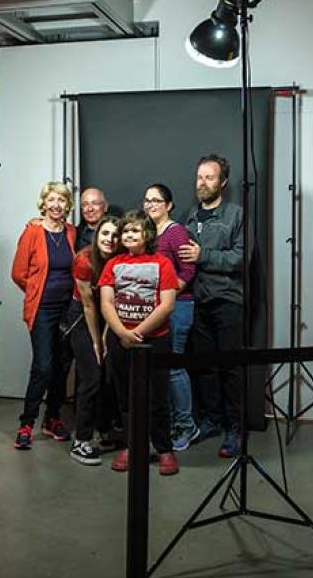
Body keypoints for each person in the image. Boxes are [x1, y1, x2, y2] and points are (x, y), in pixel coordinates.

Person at [99, 211, 179, 476]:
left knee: (158, 397)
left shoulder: (162, 263)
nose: (129, 235)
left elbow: (167, 305)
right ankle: (134, 446)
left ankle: (164, 449)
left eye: (135, 230)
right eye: (125, 231)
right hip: (121, 340)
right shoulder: (113, 264)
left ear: (147, 234)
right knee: (126, 397)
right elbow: (106, 302)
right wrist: (122, 333)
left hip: (154, 341)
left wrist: (138, 333)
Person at [178, 154, 244, 459]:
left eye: (209, 177)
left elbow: (240, 259)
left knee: (230, 367)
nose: (202, 182)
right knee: (204, 367)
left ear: (223, 182)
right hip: (196, 301)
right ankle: (212, 422)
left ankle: (235, 429)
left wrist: (203, 255)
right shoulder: (190, 216)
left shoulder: (235, 214)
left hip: (227, 300)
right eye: (199, 177)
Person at [10, 182, 77, 449]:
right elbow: (18, 273)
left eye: (61, 200)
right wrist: (37, 290)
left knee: (62, 365)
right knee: (44, 365)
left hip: (68, 309)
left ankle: (52, 419)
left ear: (67, 205)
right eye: (52, 200)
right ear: (43, 203)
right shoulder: (33, 231)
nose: (56, 205)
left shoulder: (71, 232)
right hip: (42, 308)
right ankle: (26, 423)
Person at [142, 183, 199, 451]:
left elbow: (188, 271)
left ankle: (187, 426)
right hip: (156, 310)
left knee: (174, 367)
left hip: (178, 308)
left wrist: (168, 295)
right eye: (147, 200)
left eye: (156, 200)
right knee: (162, 368)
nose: (151, 204)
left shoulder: (176, 233)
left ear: (169, 205)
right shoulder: (150, 234)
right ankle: (171, 424)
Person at [66, 215, 119, 465]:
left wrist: (107, 336)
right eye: (105, 234)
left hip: (108, 314)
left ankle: (104, 431)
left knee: (108, 375)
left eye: (115, 235)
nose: (110, 239)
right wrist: (97, 342)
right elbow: (89, 305)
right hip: (83, 318)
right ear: (97, 236)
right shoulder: (84, 260)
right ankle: (81, 441)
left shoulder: (120, 261)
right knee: (92, 377)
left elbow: (113, 304)